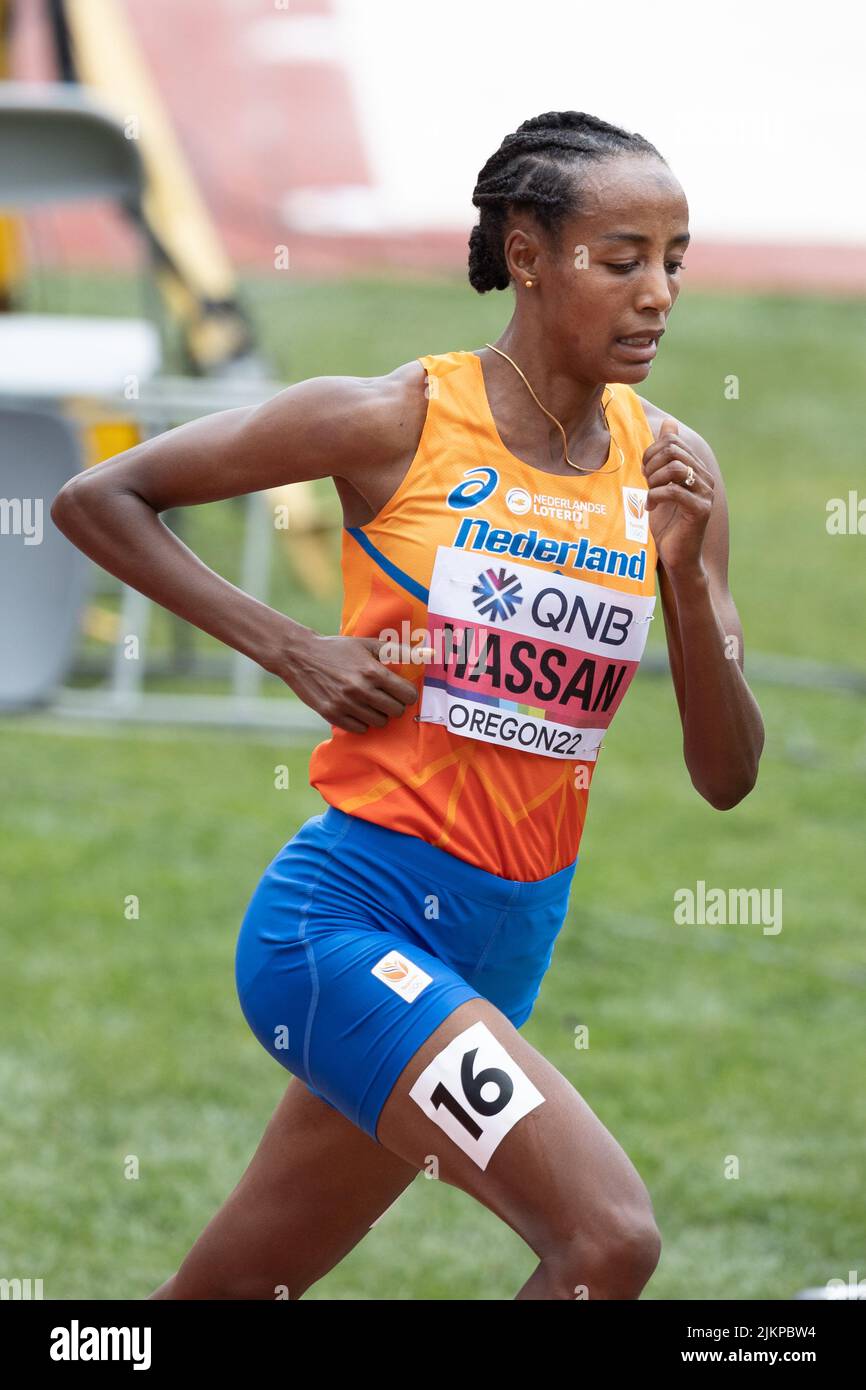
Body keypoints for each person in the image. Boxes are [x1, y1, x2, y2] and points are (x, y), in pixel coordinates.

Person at [51, 110, 765, 1301]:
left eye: (673, 260)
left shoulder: (671, 471)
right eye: (620, 256)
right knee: (606, 1239)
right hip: (342, 931)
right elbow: (100, 497)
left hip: (497, 951)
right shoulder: (396, 419)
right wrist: (291, 648)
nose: (657, 295)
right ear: (527, 255)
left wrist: (686, 580)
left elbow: (726, 773)